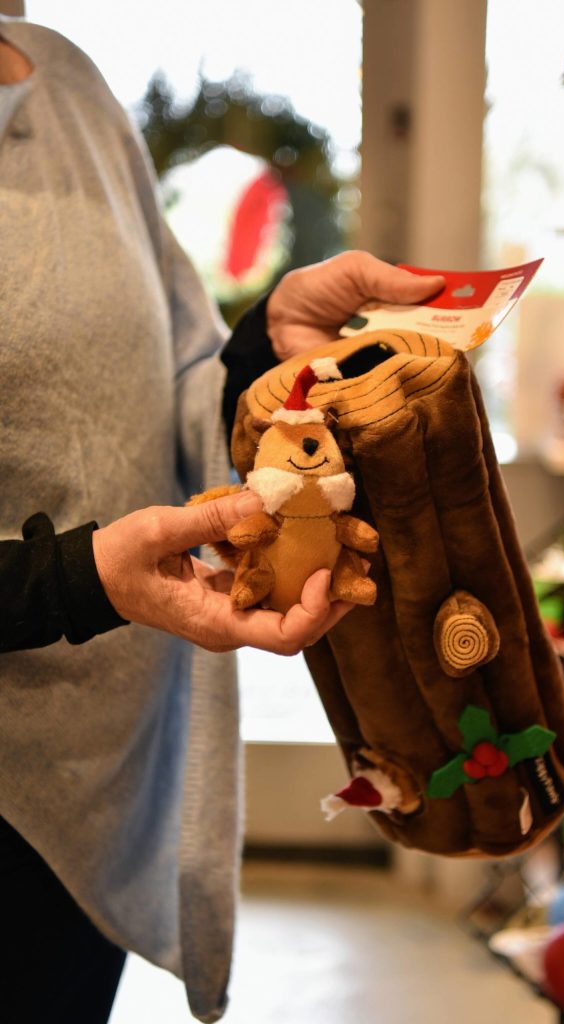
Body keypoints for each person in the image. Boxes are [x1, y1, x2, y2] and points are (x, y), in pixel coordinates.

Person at [0, 15, 444, 1024]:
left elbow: (174, 367)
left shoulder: (67, 82)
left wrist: (265, 353)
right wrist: (75, 580)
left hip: (107, 792)